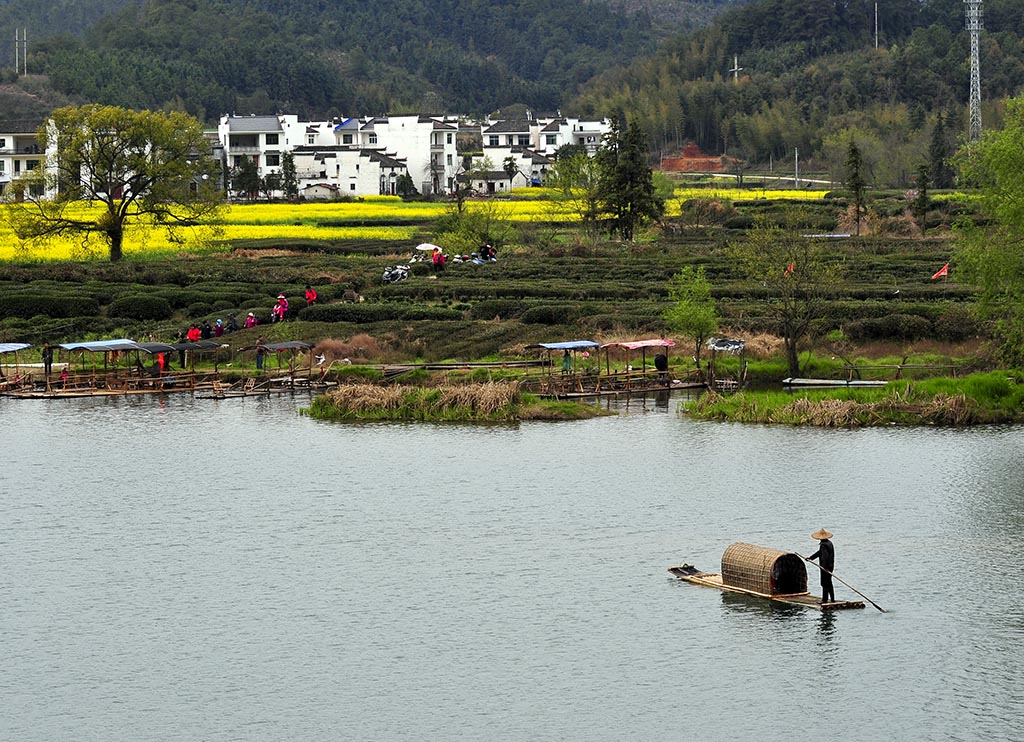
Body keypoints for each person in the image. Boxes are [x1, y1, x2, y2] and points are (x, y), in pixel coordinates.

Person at [807, 528, 836, 604]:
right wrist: (811, 558)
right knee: (829, 582)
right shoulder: (829, 543)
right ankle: (832, 599)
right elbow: (819, 553)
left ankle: (825, 599)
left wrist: (824, 567)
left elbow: (825, 557)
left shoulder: (823, 545)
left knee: (824, 583)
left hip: (825, 567)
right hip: (831, 566)